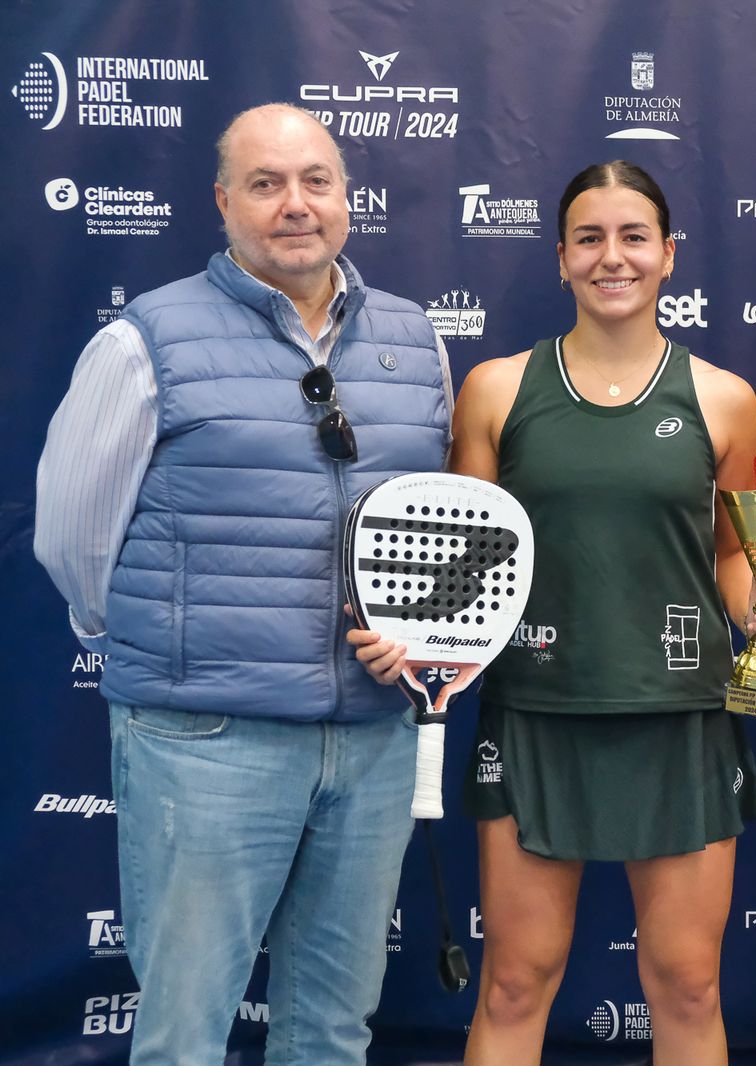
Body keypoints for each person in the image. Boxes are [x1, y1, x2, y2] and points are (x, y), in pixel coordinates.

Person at [357, 160, 756, 1066]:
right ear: (561, 259)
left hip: (679, 718)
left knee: (688, 984)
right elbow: (460, 555)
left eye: (634, 237)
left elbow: (730, 553)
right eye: (590, 239)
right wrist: (413, 636)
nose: (613, 258)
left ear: (670, 255)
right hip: (535, 715)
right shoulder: (497, 389)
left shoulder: (723, 399)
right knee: (516, 982)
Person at [33, 103, 453, 1063]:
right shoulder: (149, 340)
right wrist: (168, 649)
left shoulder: (416, 339)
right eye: (266, 184)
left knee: (332, 1029)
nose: (295, 204)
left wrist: (415, 631)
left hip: (373, 740)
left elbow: (429, 530)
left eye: (316, 181)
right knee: (186, 1029)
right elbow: (70, 535)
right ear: (223, 203)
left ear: (347, 196)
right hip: (207, 740)